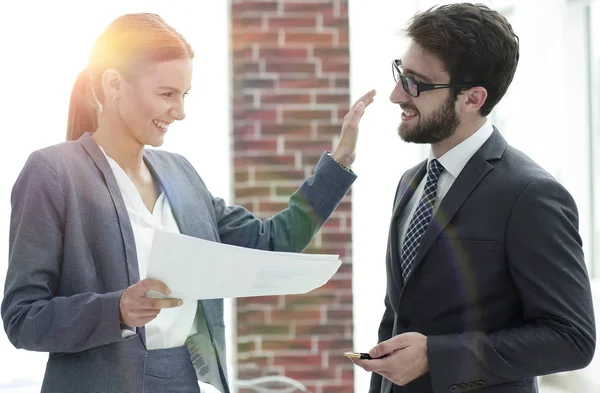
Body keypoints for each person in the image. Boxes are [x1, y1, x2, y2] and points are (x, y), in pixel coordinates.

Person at [1, 13, 376, 393]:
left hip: (181, 380)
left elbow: (271, 241)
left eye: (184, 96)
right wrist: (115, 310)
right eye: (166, 94)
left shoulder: (181, 175)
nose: (179, 112)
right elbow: (22, 317)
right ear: (114, 83)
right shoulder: (53, 172)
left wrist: (338, 165)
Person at [349, 3, 595, 393]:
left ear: (473, 98)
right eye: (401, 73)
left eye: (416, 82)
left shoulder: (531, 195)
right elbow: (398, 313)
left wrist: (436, 356)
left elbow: (572, 339)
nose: (397, 95)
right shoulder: (411, 183)